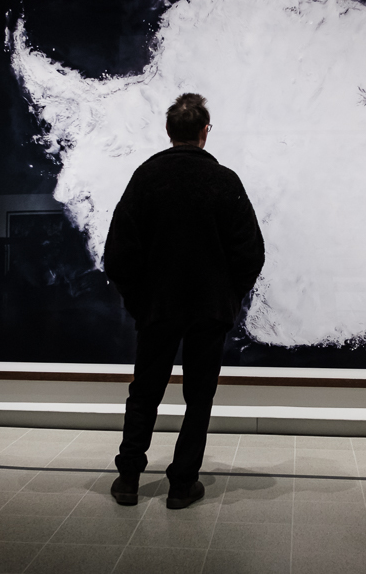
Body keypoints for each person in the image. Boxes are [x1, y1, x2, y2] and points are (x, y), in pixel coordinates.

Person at [103, 93, 265, 509]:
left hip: (157, 309)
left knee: (144, 393)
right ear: (204, 132)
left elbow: (118, 254)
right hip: (208, 311)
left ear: (168, 131)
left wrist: (141, 300)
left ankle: (128, 480)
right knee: (198, 398)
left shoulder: (146, 178)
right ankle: (181, 485)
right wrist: (227, 297)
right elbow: (251, 253)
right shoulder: (225, 181)